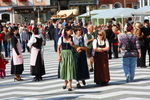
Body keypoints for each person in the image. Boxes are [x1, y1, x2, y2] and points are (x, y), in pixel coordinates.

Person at [57, 26, 76, 91]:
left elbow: (75, 47)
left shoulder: (72, 38)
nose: (71, 32)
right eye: (70, 31)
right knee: (64, 68)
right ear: (66, 31)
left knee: (70, 68)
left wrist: (72, 44)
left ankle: (70, 84)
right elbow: (58, 48)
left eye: (71, 31)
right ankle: (65, 81)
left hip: (70, 54)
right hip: (63, 54)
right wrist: (58, 56)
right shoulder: (61, 38)